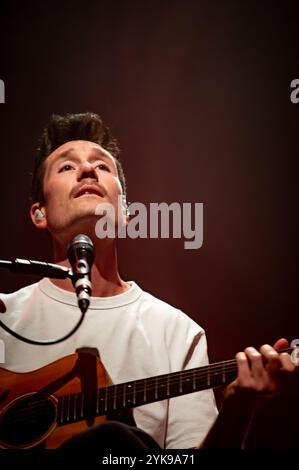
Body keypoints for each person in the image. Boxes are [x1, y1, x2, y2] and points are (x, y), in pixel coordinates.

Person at [0, 112, 296, 451]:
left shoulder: (176, 331)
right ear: (39, 213)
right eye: (67, 167)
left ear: (125, 213)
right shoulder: (4, 316)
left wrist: (237, 409)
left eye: (102, 166)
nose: (87, 170)